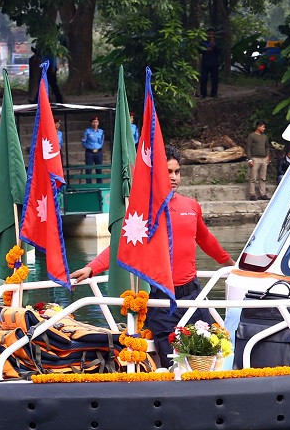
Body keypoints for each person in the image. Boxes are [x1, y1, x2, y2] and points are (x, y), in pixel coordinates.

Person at [72, 147, 233, 366]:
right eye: (169, 171)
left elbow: (206, 240)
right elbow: (121, 246)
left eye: (177, 172)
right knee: (171, 365)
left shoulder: (191, 206)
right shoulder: (146, 212)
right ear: (157, 174)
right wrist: (92, 268)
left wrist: (232, 264)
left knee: (207, 359)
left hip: (194, 295)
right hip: (162, 299)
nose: (174, 177)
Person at [245, 119, 269, 200]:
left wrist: (267, 156)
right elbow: (248, 148)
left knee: (263, 177)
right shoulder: (252, 136)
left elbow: (267, 147)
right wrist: (249, 159)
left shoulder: (264, 137)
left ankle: (263, 193)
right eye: (263, 127)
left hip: (263, 158)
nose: (264, 129)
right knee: (253, 177)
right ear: (258, 127)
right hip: (255, 158)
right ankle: (252, 194)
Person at [199, 30, 220, 98]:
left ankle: (214, 94)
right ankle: (203, 94)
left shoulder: (216, 42)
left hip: (214, 63)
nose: (210, 35)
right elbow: (199, 50)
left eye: (211, 34)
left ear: (213, 35)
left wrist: (214, 45)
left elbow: (219, 51)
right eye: (209, 34)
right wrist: (206, 50)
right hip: (205, 63)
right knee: (203, 79)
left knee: (215, 79)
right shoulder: (203, 42)